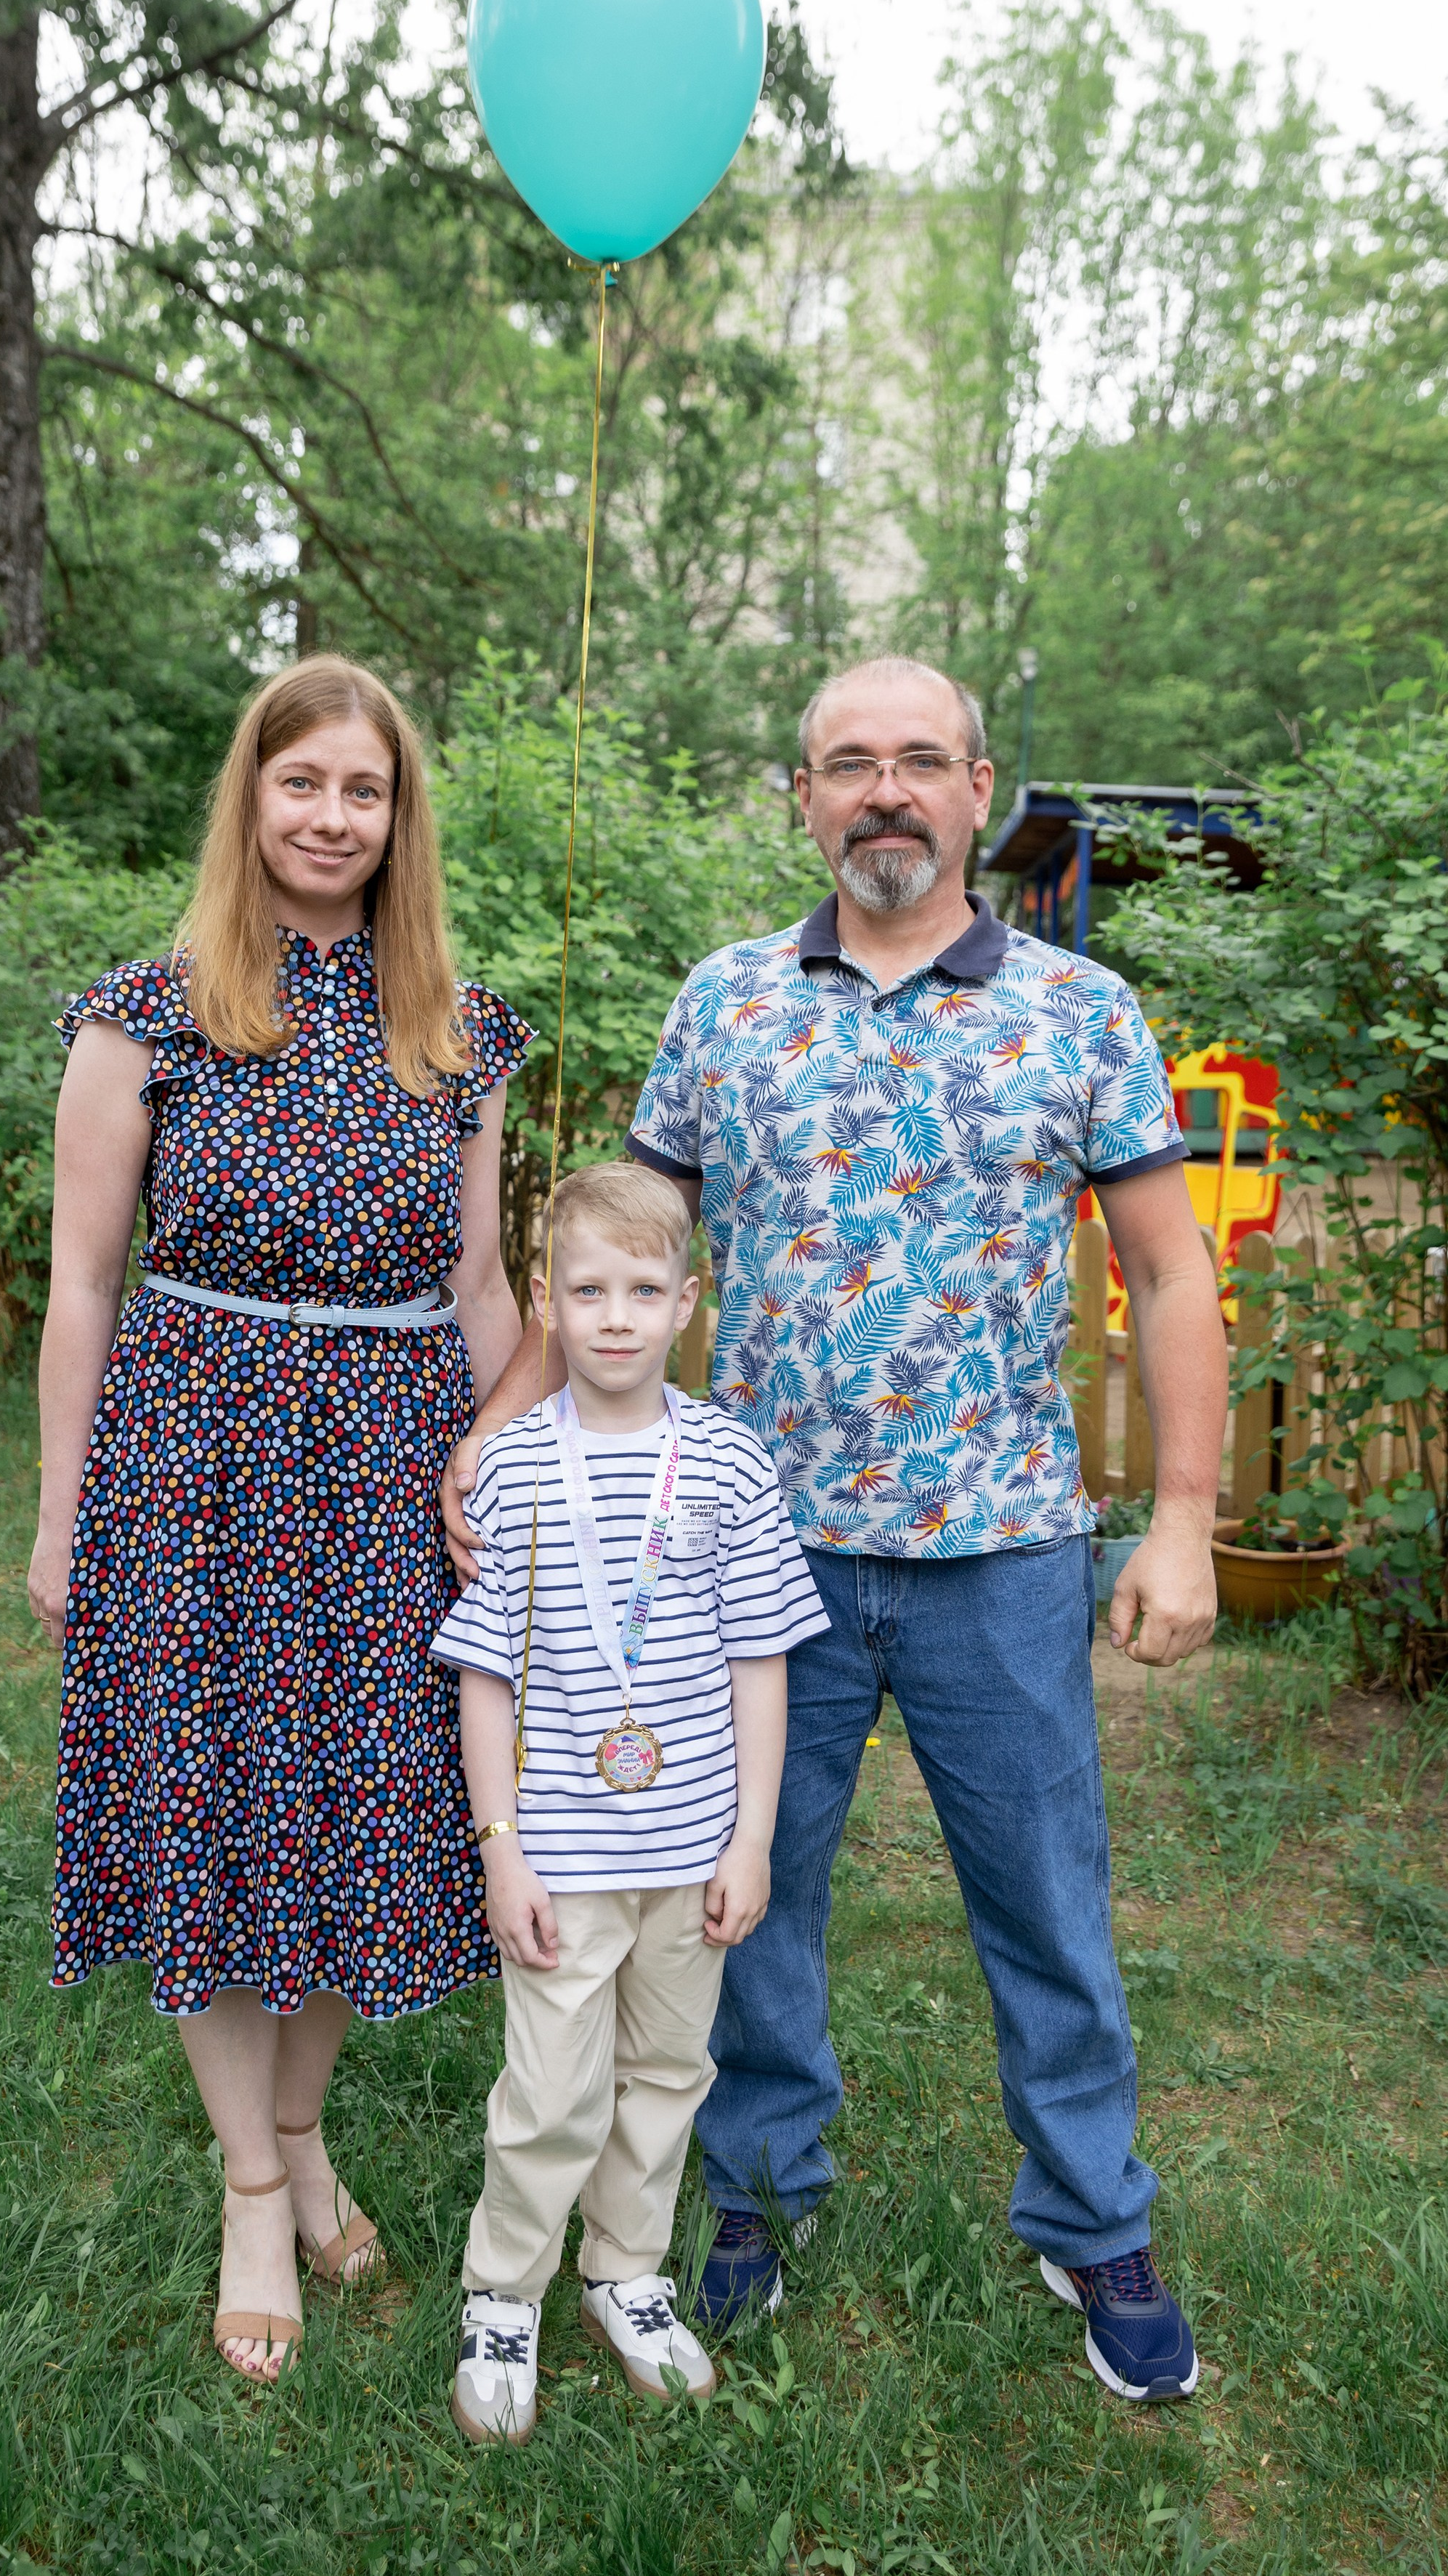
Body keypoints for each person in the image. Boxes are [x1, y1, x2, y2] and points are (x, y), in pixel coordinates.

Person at [445, 656, 1227, 2406]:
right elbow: (615, 1248)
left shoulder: (1078, 1009)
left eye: (918, 763)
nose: (884, 791)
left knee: (1042, 1906)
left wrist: (1180, 1520)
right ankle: (749, 2193)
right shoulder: (723, 1002)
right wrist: (498, 1432)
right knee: (748, 1911)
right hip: (739, 1564)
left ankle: (1091, 2214)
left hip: (1003, 1546)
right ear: (799, 796)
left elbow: (1171, 1268)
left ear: (975, 789)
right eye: (847, 764)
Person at [28, 654, 532, 2382]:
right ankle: (254, 2183)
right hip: (194, 1454)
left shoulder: (457, 1029)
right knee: (208, 1799)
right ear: (250, 798)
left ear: (401, 818)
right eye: (300, 782)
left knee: (359, 1810)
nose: (331, 816)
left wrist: (507, 1474)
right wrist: (60, 1512)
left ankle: (305, 2124)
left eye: (364, 789)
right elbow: (83, 1281)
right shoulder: (148, 1010)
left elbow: (479, 1281)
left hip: (394, 1462)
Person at [431, 1164, 830, 2443]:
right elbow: (484, 1679)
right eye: (587, 1289)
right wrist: (501, 1851)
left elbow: (759, 1657)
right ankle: (504, 2293)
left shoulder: (725, 1460)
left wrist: (752, 1834)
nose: (614, 1315)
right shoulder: (510, 1469)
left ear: (687, 1303)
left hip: (692, 1847)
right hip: (559, 1850)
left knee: (665, 2070)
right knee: (551, 2089)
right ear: (544, 1299)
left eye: (643, 1289)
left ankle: (625, 2270)